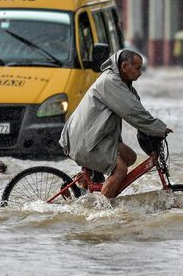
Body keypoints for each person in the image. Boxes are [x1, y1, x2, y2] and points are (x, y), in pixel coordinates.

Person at [59, 49, 172, 198]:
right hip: (86, 139)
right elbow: (132, 111)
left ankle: (82, 183)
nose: (140, 73)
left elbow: (139, 110)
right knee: (120, 170)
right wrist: (159, 128)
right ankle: (104, 210)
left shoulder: (125, 85)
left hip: (96, 137)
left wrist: (152, 128)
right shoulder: (111, 82)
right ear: (125, 67)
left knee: (130, 157)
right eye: (137, 68)